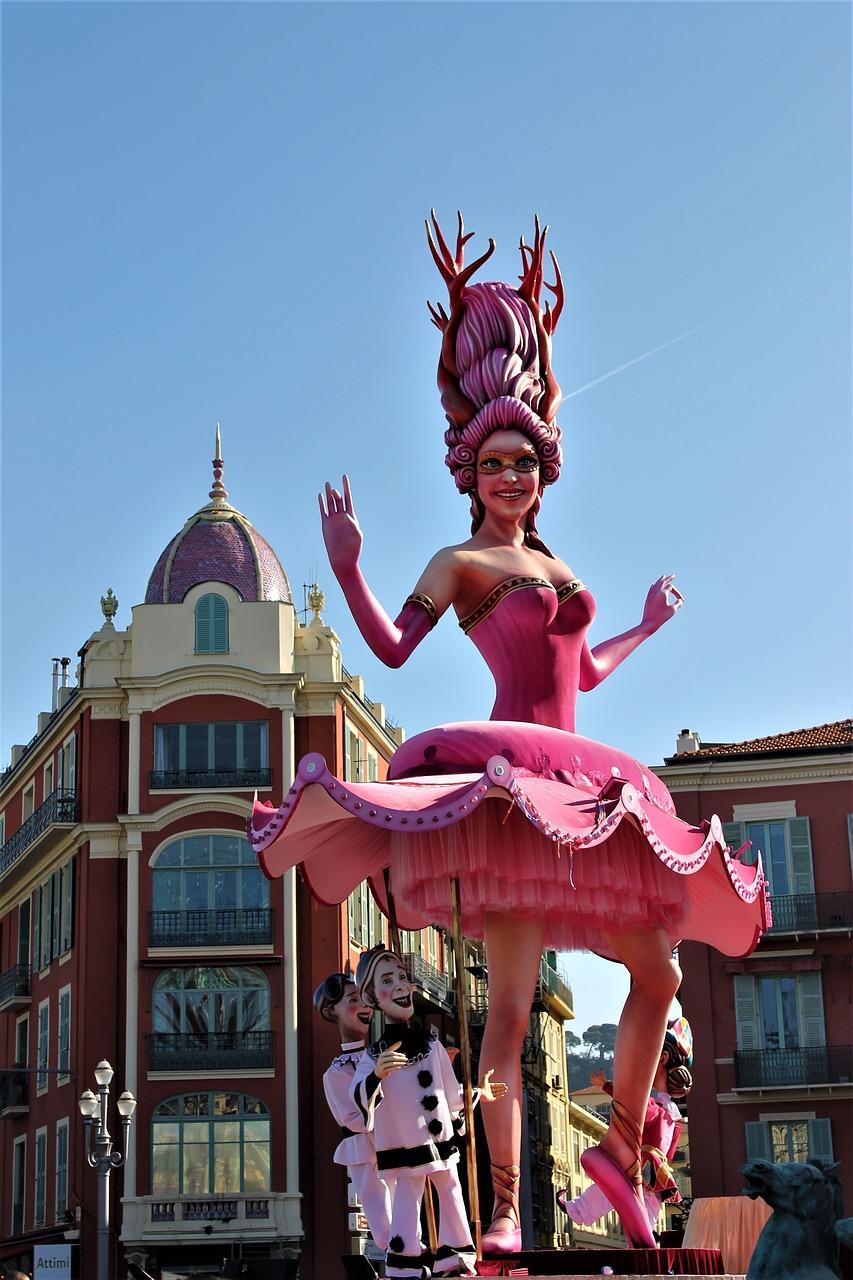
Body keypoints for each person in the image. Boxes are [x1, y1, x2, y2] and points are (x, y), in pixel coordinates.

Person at [250, 213, 769, 1253]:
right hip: (509, 792)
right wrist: (347, 565)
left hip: (579, 789)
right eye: (493, 461)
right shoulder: (460, 563)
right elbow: (396, 651)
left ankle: (618, 1153)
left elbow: (581, 669)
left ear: (543, 467)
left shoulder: (557, 565)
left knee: (658, 974)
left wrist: (645, 625)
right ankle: (498, 1218)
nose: (509, 475)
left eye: (523, 460)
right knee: (505, 1016)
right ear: (467, 468)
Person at [350, 945, 506, 1279]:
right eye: (387, 980)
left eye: (402, 977)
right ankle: (404, 1261)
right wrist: (377, 1075)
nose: (400, 987)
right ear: (372, 997)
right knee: (410, 1193)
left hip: (440, 1138)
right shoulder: (375, 1055)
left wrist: (479, 1093)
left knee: (450, 1187)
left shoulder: (431, 1044)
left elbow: (451, 1095)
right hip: (406, 1143)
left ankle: (455, 1255)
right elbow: (358, 1097)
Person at [558, 1015, 694, 1233]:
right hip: (658, 1165)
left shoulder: (656, 1106)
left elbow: (632, 1106)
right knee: (646, 1202)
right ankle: (645, 1232)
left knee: (611, 1185)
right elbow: (668, 1148)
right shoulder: (672, 1115)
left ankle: (580, 1210)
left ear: (662, 1058)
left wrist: (606, 1086)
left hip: (643, 1160)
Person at [313, 972, 394, 1252]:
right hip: (367, 1147)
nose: (364, 1006)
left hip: (395, 1142)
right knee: (382, 1214)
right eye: (353, 999)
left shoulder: (380, 1054)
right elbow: (356, 1118)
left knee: (407, 1208)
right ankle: (399, 1257)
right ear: (330, 1011)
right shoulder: (336, 1073)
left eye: (365, 999)